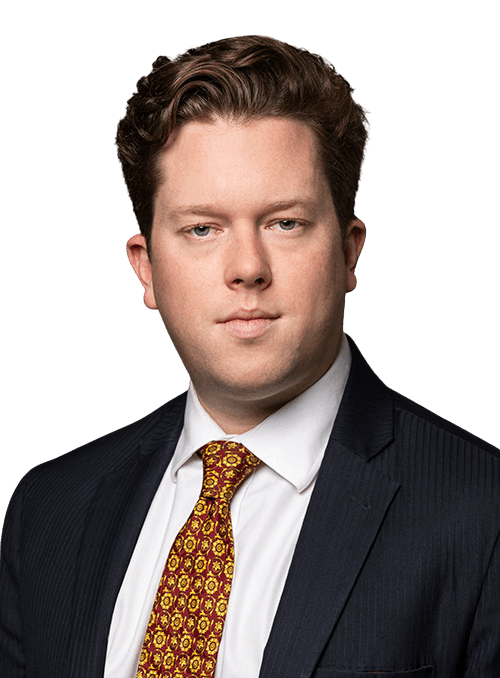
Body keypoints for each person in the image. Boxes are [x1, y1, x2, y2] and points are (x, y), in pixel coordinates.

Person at [0, 34, 499, 678]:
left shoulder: (482, 512)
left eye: (285, 222)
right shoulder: (49, 510)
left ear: (349, 250)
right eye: (202, 229)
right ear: (146, 269)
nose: (247, 268)